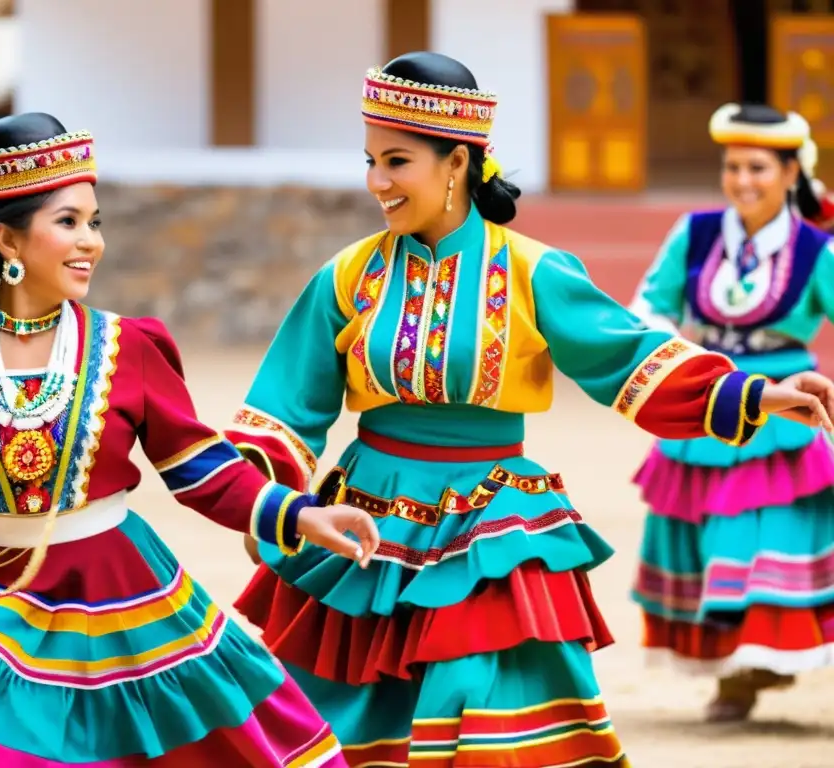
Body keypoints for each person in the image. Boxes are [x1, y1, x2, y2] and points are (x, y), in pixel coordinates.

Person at [226, 53, 834, 767]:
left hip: (487, 523)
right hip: (369, 519)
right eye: (370, 160)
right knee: (350, 730)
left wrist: (751, 395)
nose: (376, 182)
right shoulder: (349, 275)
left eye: (396, 161)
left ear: (457, 161)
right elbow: (286, 407)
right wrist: (267, 504)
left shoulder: (532, 271)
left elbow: (627, 356)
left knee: (490, 725)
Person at [0, 112, 380, 767]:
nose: (92, 243)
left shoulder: (127, 346)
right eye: (69, 222)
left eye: (95, 222)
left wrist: (302, 513)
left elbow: (203, 471)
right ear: (10, 242)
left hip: (122, 594)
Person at [628, 102, 834, 723]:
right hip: (712, 399)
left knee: (765, 536)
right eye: (732, 166)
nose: (743, 180)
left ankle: (763, 660)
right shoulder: (694, 233)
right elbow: (648, 307)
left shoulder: (816, 251)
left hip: (786, 413)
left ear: (792, 171)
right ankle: (738, 673)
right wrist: (674, 356)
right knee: (711, 537)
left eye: (758, 168)